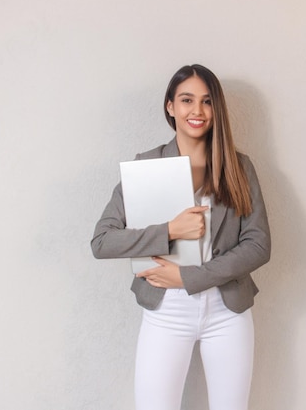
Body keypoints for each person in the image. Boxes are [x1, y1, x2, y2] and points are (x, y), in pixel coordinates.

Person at [91, 64, 271, 410]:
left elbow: (258, 245)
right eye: (187, 100)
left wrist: (187, 276)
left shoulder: (239, 167)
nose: (197, 111)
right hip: (166, 310)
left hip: (227, 310)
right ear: (170, 106)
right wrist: (170, 230)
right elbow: (102, 241)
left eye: (207, 101)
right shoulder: (145, 166)